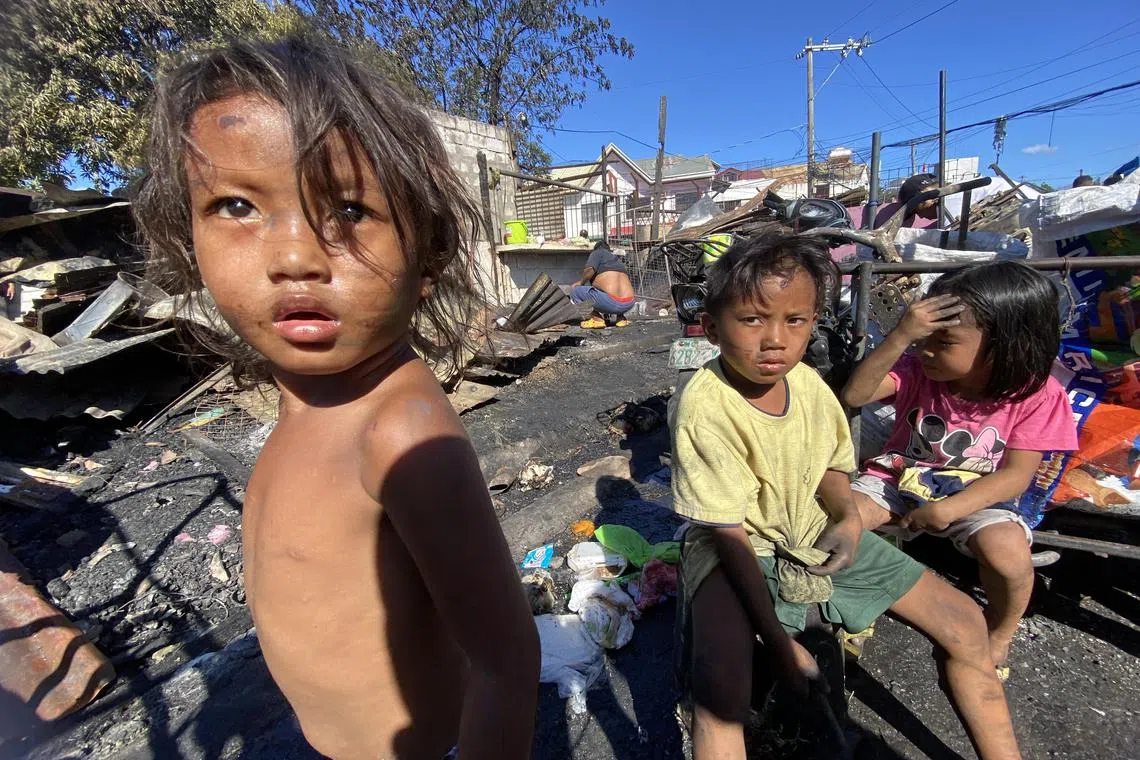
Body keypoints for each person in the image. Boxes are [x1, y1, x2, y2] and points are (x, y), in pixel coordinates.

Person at [134, 38, 539, 760]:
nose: (295, 257)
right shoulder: (305, 392)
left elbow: (504, 663)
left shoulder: (400, 430)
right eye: (236, 205)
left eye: (349, 210)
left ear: (430, 255)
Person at [672, 232, 1022, 760]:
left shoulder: (807, 383)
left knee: (966, 623)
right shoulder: (705, 405)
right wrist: (780, 644)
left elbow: (832, 468)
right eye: (752, 319)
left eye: (795, 320)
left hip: (811, 528)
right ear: (712, 327)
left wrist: (847, 519)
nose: (775, 340)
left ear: (813, 322)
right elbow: (727, 531)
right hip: (735, 545)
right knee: (720, 688)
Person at [842, 261, 1077, 674]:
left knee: (1009, 557)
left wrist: (949, 509)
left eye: (943, 341)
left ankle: (1000, 633)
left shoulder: (1038, 394)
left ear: (1006, 344)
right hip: (897, 476)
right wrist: (900, 336)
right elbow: (856, 394)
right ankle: (853, 605)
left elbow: (1015, 476)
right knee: (842, 522)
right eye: (922, 338)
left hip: (977, 495)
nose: (926, 349)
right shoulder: (917, 369)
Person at [571, 238, 636, 328]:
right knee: (610, 291)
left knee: (575, 291)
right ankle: (621, 319)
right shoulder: (617, 261)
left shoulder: (598, 252)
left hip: (611, 302)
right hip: (629, 303)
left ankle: (597, 320)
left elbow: (590, 269)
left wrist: (581, 282)